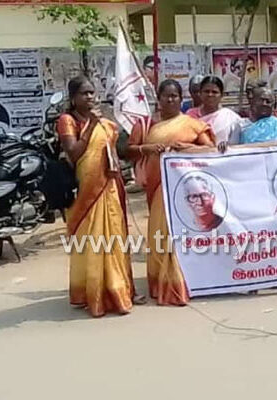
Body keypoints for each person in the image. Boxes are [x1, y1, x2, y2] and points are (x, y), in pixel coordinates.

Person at [125, 79, 214, 306]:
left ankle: (182, 281)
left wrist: (187, 148)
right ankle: (162, 282)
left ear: (181, 99)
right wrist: (145, 148)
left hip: (184, 190)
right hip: (157, 188)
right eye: (167, 96)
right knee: (161, 233)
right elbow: (128, 151)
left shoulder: (191, 124)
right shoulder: (145, 124)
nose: (171, 100)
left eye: (175, 96)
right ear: (159, 98)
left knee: (182, 234)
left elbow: (210, 149)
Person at [56, 76, 137, 317]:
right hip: (86, 192)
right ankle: (94, 294)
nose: (90, 97)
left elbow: (119, 151)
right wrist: (91, 125)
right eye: (84, 93)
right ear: (73, 98)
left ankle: (118, 290)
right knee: (92, 240)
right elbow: (73, 153)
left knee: (114, 237)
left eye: (92, 92)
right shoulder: (67, 121)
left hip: (109, 187)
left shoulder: (106, 122)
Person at [187, 76, 243, 151]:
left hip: (222, 156)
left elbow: (237, 144)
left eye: (214, 92)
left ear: (221, 95)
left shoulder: (230, 117)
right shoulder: (190, 115)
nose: (210, 95)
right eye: (206, 91)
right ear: (200, 93)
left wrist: (226, 146)